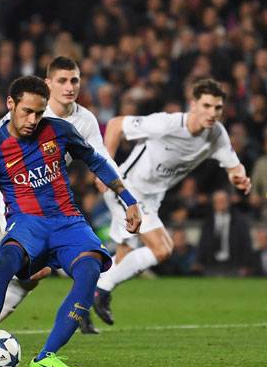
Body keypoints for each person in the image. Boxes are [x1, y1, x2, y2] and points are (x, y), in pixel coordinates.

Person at [0, 75, 141, 367]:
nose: (33, 119)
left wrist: (128, 198)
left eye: (39, 112)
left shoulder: (59, 131)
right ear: (10, 104)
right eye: (26, 111)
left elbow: (94, 160)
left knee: (89, 270)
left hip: (68, 221)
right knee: (6, 260)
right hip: (27, 222)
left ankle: (46, 356)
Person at [0, 56, 120, 344]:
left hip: (53, 198)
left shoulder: (85, 119)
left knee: (35, 274)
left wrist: (113, 182)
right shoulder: (25, 110)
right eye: (62, 81)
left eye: (75, 81)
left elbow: (99, 156)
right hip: (17, 198)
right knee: (32, 268)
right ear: (48, 84)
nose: (69, 87)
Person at [92, 78, 251, 325]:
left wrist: (239, 176)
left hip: (152, 200)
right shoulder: (166, 123)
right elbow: (115, 125)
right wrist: (106, 168)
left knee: (123, 258)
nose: (212, 113)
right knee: (163, 248)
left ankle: (79, 307)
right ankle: (100, 289)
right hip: (127, 190)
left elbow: (233, 164)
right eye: (207, 106)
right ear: (193, 105)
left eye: (217, 108)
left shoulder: (217, 134)